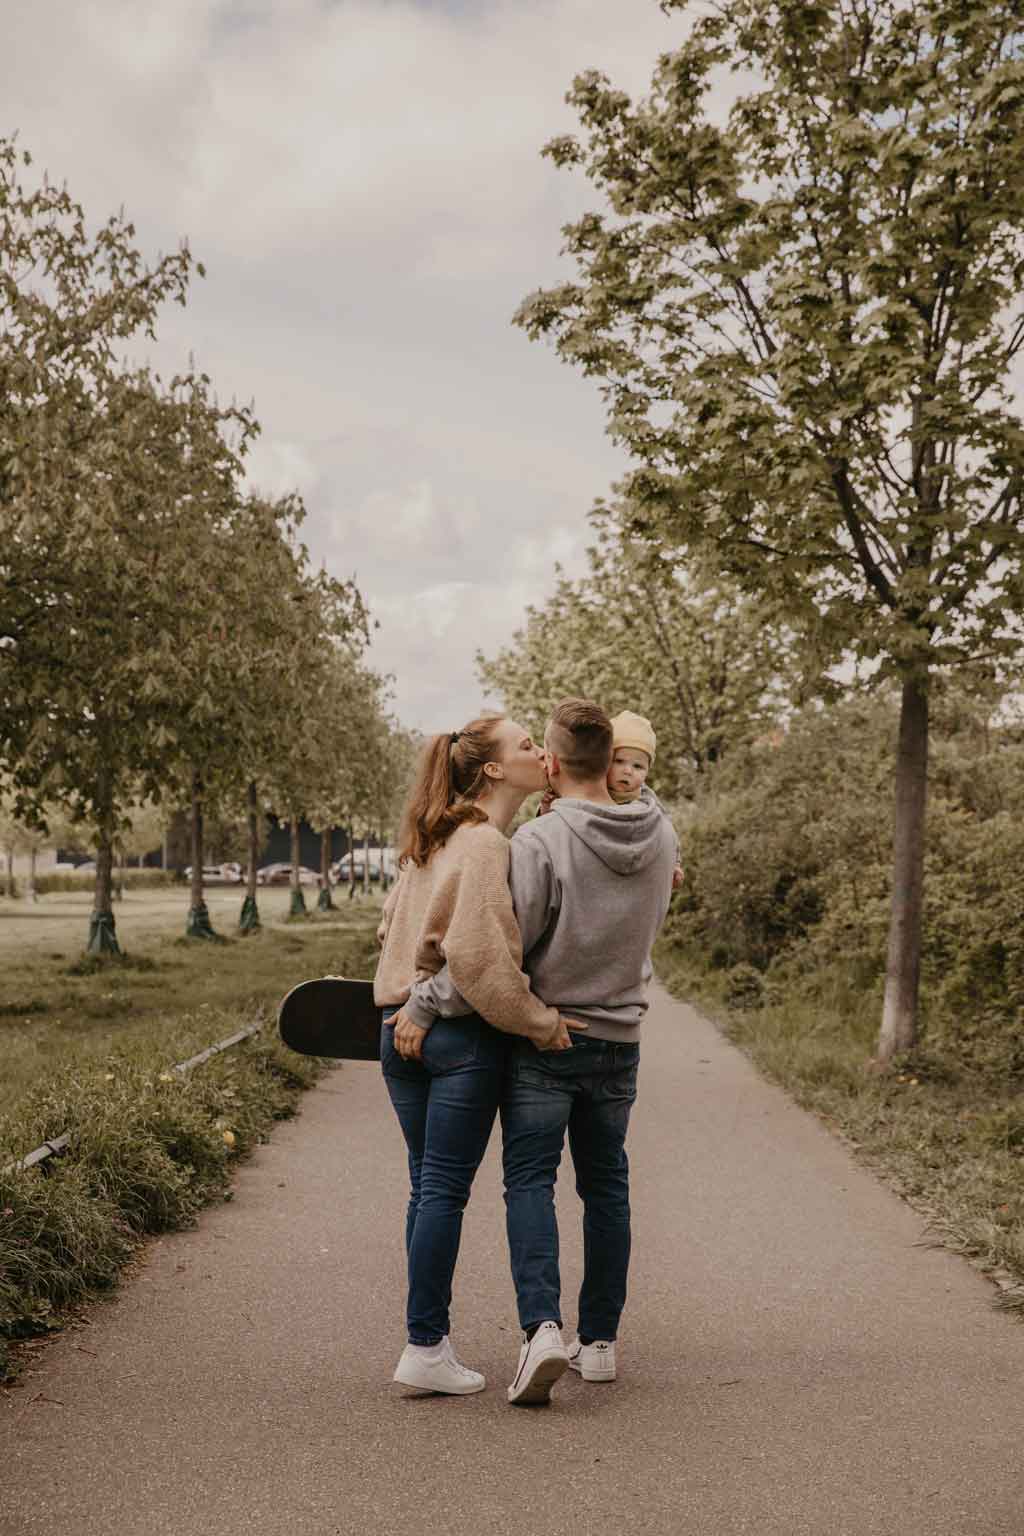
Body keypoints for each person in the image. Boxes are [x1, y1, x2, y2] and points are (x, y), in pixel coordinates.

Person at [404, 698, 678, 1406]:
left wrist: (426, 1002)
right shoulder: (664, 837)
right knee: (606, 1186)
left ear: (553, 764)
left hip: (549, 1036)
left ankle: (543, 1331)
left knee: (530, 1181)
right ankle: (602, 1343)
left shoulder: (537, 843)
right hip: (621, 1040)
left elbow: (501, 950)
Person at [374, 715, 582, 1397]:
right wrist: (540, 1022)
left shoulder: (434, 839)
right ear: (493, 769)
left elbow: (390, 929)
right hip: (456, 1039)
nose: (539, 753)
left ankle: (425, 1338)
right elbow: (483, 962)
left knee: (426, 1187)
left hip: (396, 1028)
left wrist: (414, 999)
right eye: (525, 746)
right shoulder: (485, 844)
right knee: (442, 1190)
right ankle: (424, 1345)